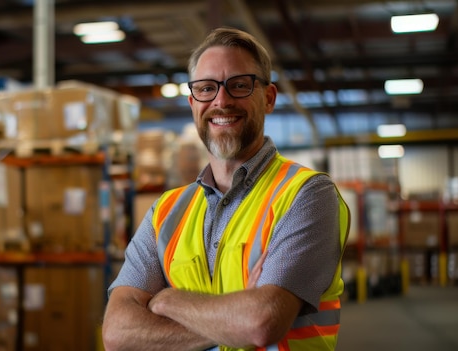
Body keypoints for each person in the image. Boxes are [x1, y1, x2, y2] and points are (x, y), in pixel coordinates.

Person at [102, 26, 351, 351]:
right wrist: (235, 319)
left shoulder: (306, 195)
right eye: (206, 88)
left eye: (239, 86)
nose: (221, 100)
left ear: (269, 98)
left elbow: (261, 323)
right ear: (193, 103)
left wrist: (168, 301)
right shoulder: (166, 212)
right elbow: (117, 333)